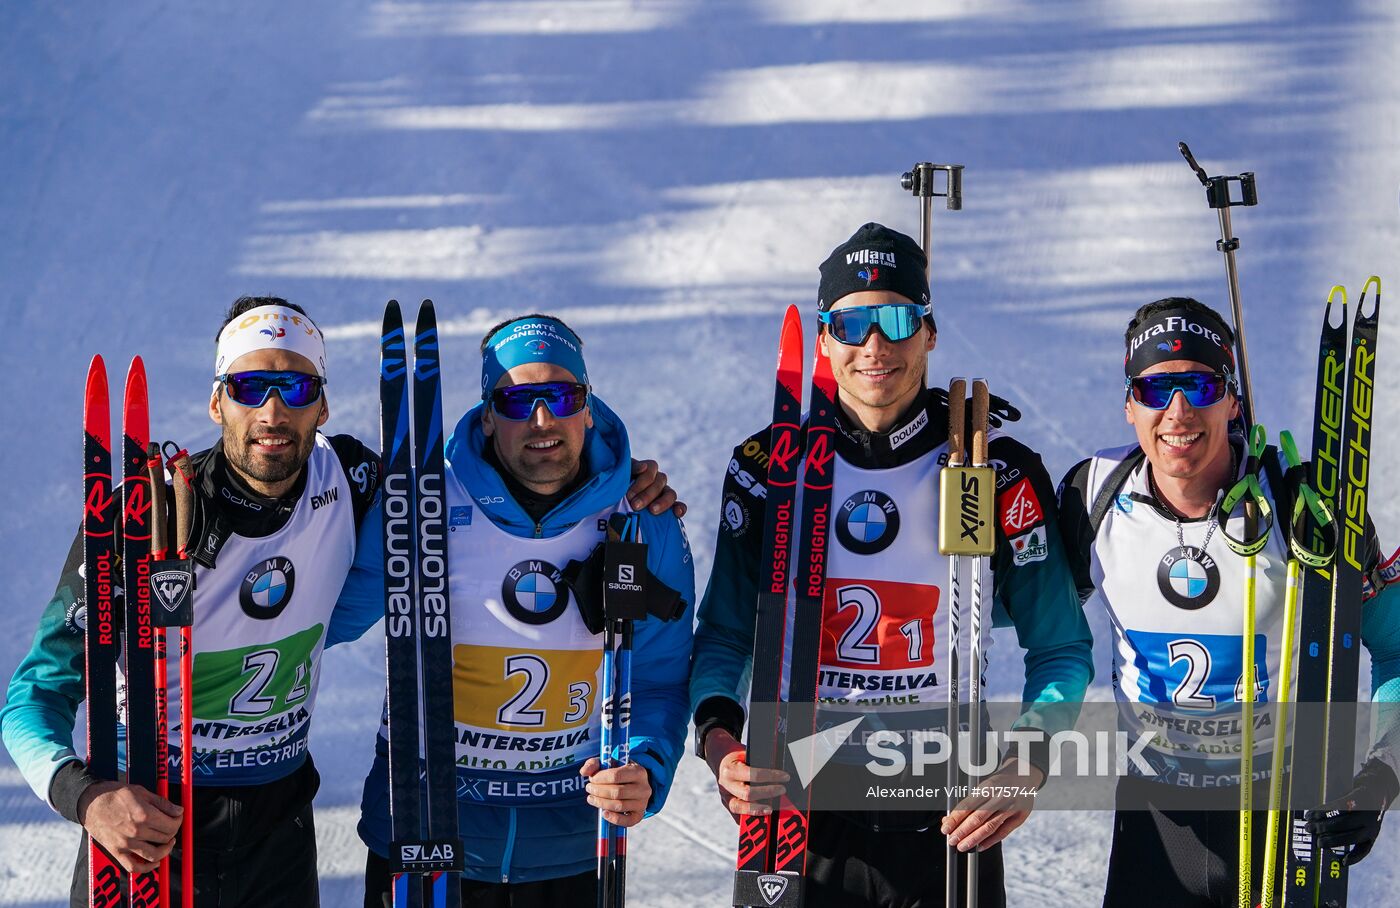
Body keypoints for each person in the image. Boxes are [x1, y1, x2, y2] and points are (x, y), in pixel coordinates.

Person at [1, 298, 681, 908]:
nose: (273, 411)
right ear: (217, 403)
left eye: (295, 388)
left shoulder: (357, 483)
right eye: (249, 387)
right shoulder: (143, 520)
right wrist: (86, 798)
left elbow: (481, 481)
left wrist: (624, 482)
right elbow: (32, 696)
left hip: (280, 828)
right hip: (150, 822)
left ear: (321, 406)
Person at [688, 223, 1095, 907]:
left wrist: (1027, 761)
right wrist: (720, 744)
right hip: (800, 817)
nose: (875, 346)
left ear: (930, 333)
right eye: (852, 323)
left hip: (944, 816)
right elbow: (727, 633)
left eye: (898, 319)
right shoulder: (769, 470)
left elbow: (1060, 646)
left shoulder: (994, 471)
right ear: (824, 338)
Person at [1056, 296, 1400, 907]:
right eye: (1157, 389)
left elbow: (1396, 650)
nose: (1178, 411)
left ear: (1232, 400)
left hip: (1284, 823)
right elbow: (1035, 625)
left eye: (1200, 384)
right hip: (1155, 825)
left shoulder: (1307, 508)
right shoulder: (1093, 496)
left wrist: (1380, 777)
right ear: (1130, 404)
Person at [356, 314, 696, 906]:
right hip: (424, 839)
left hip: (572, 847)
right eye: (517, 400)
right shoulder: (422, 503)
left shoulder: (642, 518)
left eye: (563, 397)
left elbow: (662, 679)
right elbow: (319, 617)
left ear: (588, 407)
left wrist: (644, 765)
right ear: (488, 415)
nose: (543, 420)